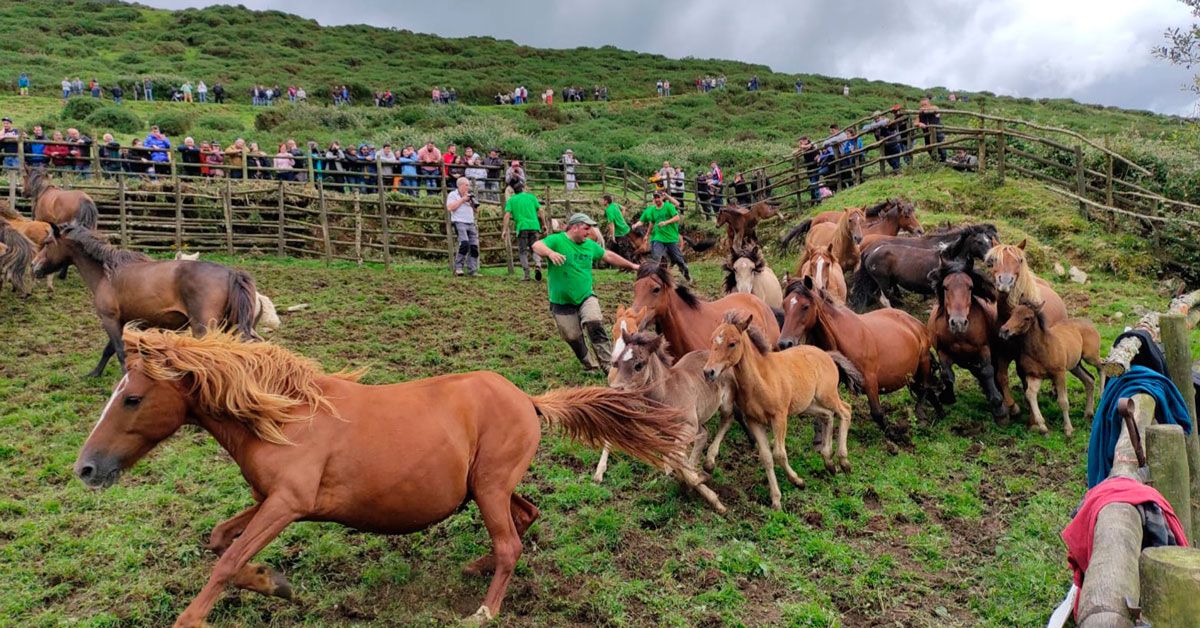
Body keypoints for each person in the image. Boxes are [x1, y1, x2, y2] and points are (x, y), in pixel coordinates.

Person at [532, 212, 638, 370]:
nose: (589, 233)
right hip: (561, 302)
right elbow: (536, 245)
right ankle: (590, 364)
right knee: (572, 336)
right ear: (574, 227)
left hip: (586, 297)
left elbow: (607, 255)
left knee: (594, 322)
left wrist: (632, 265)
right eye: (586, 228)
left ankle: (610, 365)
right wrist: (550, 253)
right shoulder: (557, 240)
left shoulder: (589, 245)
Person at [633, 190, 691, 282]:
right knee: (655, 258)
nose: (656, 199)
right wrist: (647, 234)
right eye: (655, 198)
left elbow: (677, 218)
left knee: (679, 260)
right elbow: (651, 223)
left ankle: (686, 274)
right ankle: (653, 278)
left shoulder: (668, 206)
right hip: (657, 237)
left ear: (662, 198)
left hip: (670, 238)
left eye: (658, 197)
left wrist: (665, 222)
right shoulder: (652, 210)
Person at [502, 181, 545, 281]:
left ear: (514, 191)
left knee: (522, 251)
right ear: (523, 188)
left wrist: (504, 230)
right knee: (535, 248)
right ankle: (538, 264)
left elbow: (507, 215)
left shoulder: (512, 200)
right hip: (534, 226)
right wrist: (544, 224)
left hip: (522, 227)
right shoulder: (531, 197)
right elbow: (541, 210)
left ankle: (526, 275)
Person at [446, 177, 480, 276]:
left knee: (474, 246)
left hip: (470, 222)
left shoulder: (470, 196)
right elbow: (450, 207)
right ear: (460, 185)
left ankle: (472, 270)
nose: (468, 187)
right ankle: (458, 268)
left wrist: (471, 202)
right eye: (466, 185)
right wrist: (462, 200)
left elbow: (477, 211)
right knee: (464, 243)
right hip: (459, 222)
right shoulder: (453, 195)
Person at [601, 193, 633, 258]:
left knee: (624, 251)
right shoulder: (615, 205)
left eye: (603, 200)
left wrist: (612, 236)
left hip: (620, 232)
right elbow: (624, 208)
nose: (601, 201)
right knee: (614, 248)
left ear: (606, 201)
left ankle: (628, 265)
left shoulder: (609, 210)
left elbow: (611, 224)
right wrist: (621, 218)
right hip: (625, 229)